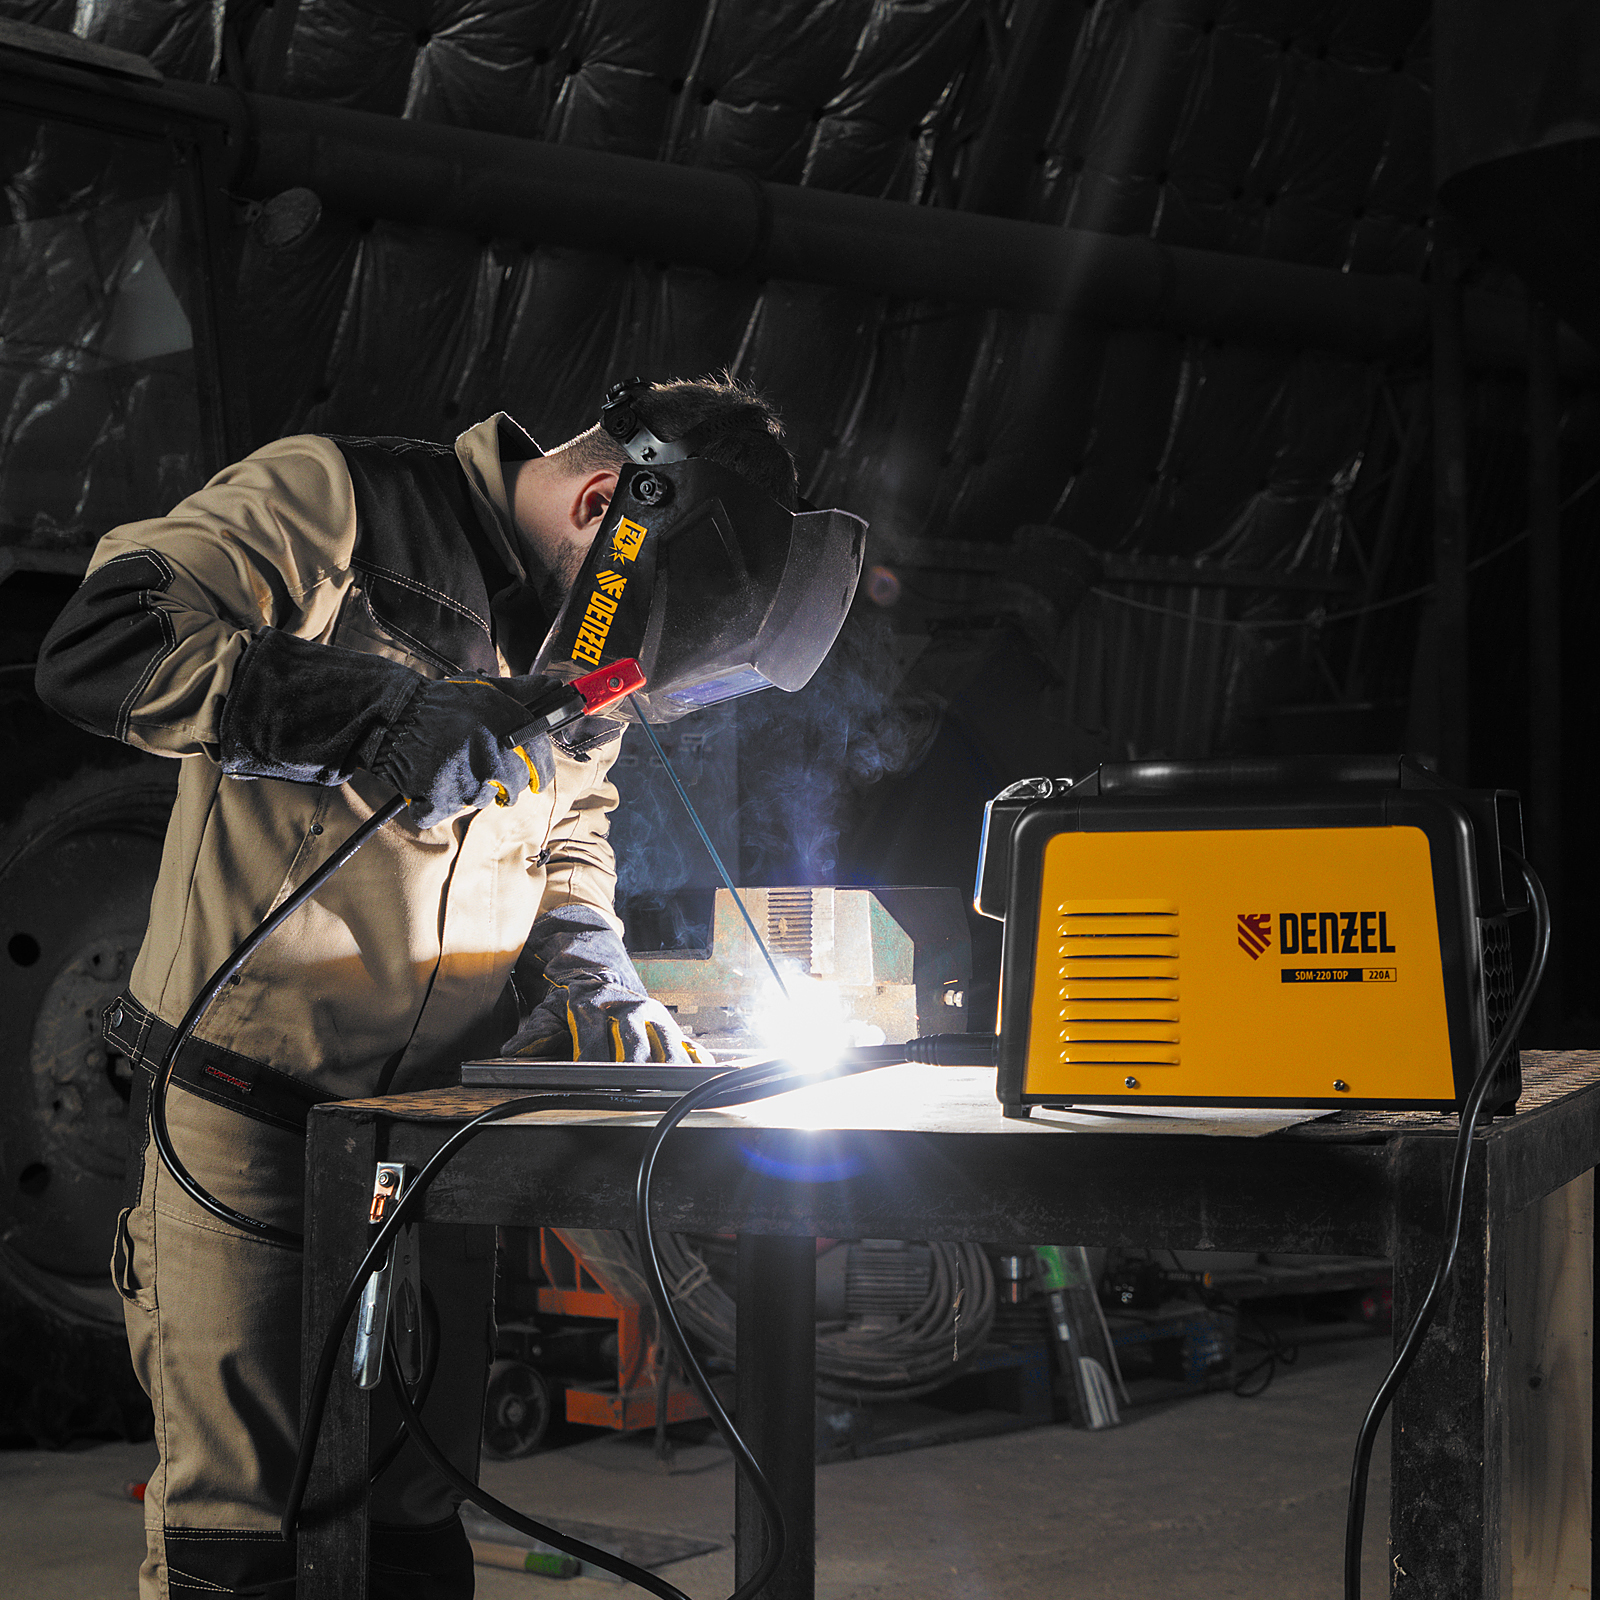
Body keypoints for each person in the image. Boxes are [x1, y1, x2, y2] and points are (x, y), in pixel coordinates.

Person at [34, 375, 799, 1600]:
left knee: (410, 1524)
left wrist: (590, 964)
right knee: (245, 1542)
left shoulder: (593, 630)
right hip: (251, 1123)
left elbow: (571, 821)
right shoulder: (334, 501)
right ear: (602, 502)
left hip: (429, 1145)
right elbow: (103, 644)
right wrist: (377, 714)